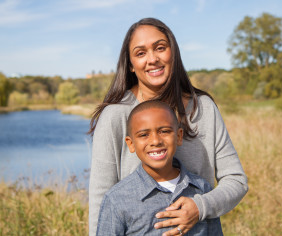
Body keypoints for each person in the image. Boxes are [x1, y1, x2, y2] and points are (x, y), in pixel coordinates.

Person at [89, 17, 248, 236]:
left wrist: (200, 207)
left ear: (173, 53)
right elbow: (100, 200)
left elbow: (236, 181)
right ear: (131, 65)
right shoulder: (114, 115)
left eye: (160, 48)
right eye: (140, 53)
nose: (152, 59)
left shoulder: (203, 109)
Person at [96, 100, 223, 236]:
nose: (156, 141)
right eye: (144, 135)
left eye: (164, 131)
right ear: (131, 144)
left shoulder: (202, 189)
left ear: (179, 136)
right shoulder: (117, 199)